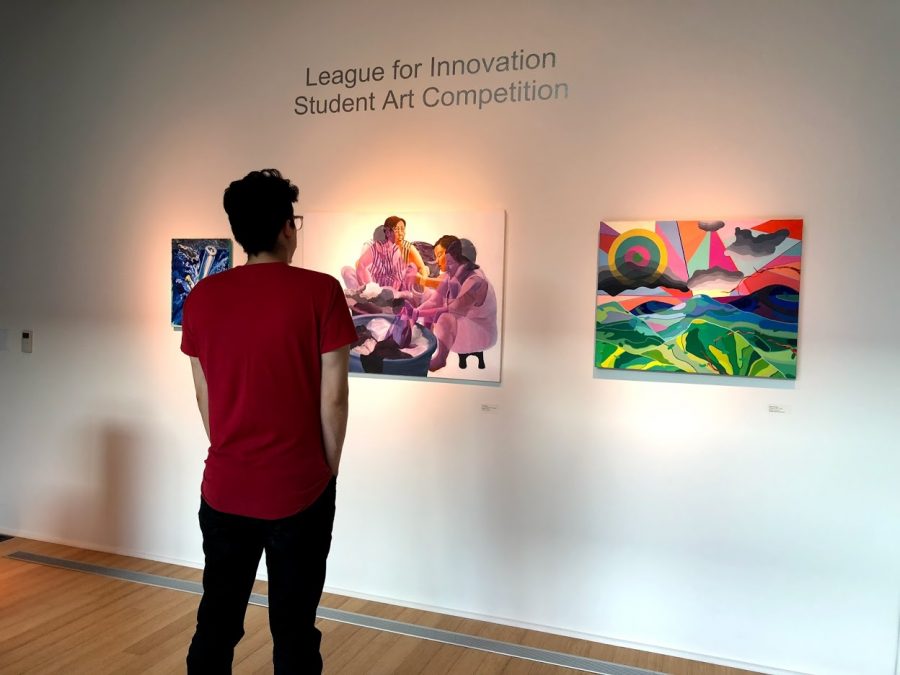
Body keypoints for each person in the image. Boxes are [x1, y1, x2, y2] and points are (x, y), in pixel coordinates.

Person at [180, 168, 357, 673]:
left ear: (238, 229)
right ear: (287, 227)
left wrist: (233, 448)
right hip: (300, 488)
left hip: (225, 486)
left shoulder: (203, 298)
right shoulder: (321, 293)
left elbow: (203, 392)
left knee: (216, 620)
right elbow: (335, 398)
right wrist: (328, 467)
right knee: (296, 627)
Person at [410, 238, 498, 372]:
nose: (439, 261)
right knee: (430, 299)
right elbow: (435, 300)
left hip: (479, 331)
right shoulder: (451, 275)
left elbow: (453, 309)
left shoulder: (475, 281)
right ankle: (426, 342)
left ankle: (440, 359)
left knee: (444, 317)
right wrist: (414, 312)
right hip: (464, 326)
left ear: (462, 261)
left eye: (448, 260)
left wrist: (419, 313)